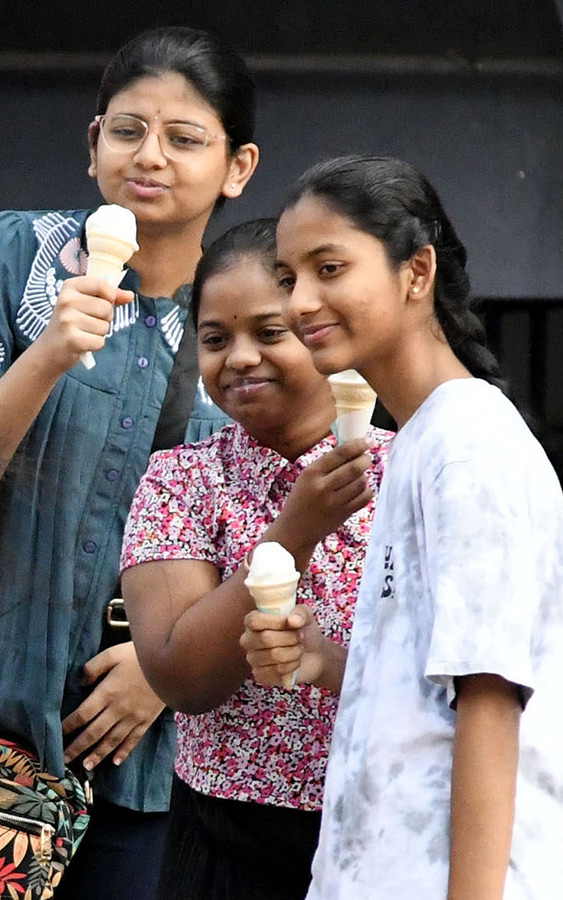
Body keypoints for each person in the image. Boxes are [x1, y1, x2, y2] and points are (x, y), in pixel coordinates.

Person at [0, 25, 260, 899]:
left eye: (185, 139)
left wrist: (168, 668)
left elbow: (280, 531)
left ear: (238, 168)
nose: (150, 156)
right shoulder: (13, 254)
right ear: (92, 144)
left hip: (160, 755)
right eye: (126, 130)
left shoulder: (258, 316)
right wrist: (47, 355)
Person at [244, 155, 563, 897]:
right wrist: (325, 660)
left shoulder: (467, 438)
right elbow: (432, 700)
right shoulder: (420, 440)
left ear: (417, 271)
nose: (301, 300)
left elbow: (489, 699)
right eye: (287, 277)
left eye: (330, 267)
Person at [119, 218, 388, 899]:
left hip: (386, 826)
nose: (238, 357)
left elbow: (451, 677)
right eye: (215, 339)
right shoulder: (181, 480)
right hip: (225, 842)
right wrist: (293, 532)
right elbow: (182, 677)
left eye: (270, 333)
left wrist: (328, 663)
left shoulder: (410, 470)